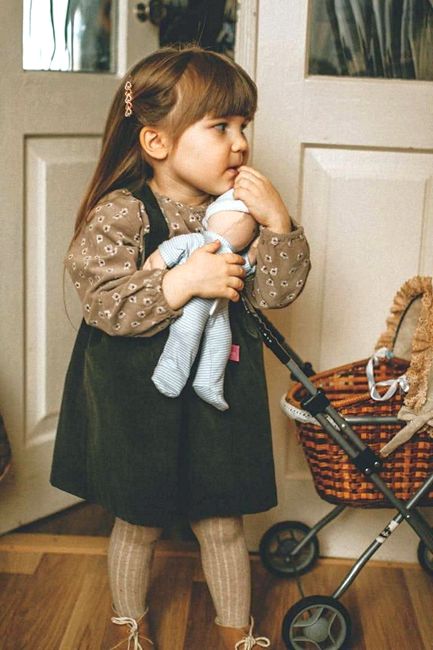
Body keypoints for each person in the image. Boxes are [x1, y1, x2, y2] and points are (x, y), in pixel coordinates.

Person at [50, 45, 311, 650]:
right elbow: (104, 302)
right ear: (157, 142)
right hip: (137, 398)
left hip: (219, 389)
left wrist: (277, 225)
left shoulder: (236, 215)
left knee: (222, 521)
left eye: (244, 126)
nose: (240, 142)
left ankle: (236, 635)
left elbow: (274, 291)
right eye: (220, 126)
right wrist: (179, 282)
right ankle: (130, 631)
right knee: (137, 520)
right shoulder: (123, 213)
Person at [148, 189, 258, 410]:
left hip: (220, 311)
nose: (240, 223)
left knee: (221, 342)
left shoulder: (234, 257)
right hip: (193, 306)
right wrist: (152, 272)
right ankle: (169, 375)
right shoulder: (198, 241)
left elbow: (248, 265)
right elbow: (164, 254)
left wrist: (258, 246)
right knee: (186, 333)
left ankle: (209, 384)